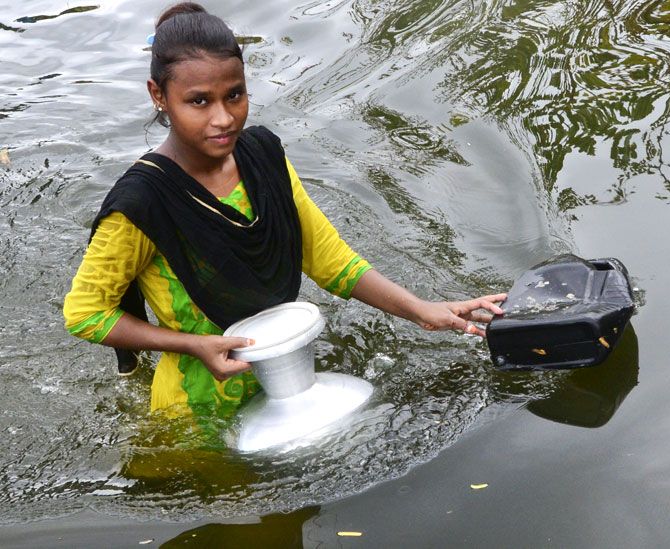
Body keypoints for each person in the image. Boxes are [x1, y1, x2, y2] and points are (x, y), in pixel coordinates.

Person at [63, 2, 505, 419]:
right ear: (158, 95)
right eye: (199, 101)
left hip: (291, 383)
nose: (223, 119)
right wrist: (193, 345)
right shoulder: (143, 203)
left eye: (235, 95)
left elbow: (330, 261)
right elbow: (85, 313)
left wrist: (421, 310)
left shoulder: (263, 157)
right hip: (196, 414)